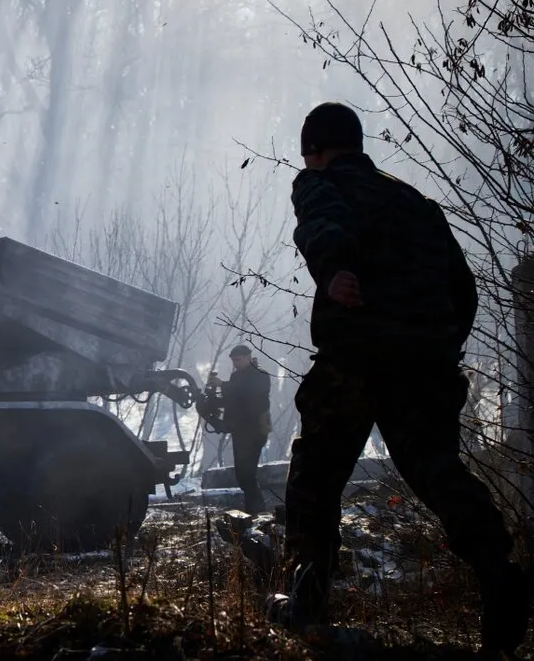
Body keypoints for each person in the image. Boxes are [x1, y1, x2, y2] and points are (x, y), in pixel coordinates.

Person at [270, 101, 528, 658]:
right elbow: (462, 286)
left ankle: (306, 598)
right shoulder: (415, 201)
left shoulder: (318, 183)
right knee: (437, 472)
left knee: (315, 474)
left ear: (312, 151)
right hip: (424, 362)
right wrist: (440, 343)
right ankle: (498, 571)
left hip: (357, 356)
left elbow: (322, 223)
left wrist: (334, 269)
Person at [207, 345, 271, 514]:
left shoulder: (260, 375)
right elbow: (233, 400)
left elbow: (249, 394)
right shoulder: (236, 377)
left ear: (249, 357)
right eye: (234, 360)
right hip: (240, 431)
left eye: (239, 359)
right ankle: (254, 508)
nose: (236, 363)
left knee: (247, 472)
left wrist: (224, 385)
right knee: (242, 474)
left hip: (254, 430)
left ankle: (257, 509)